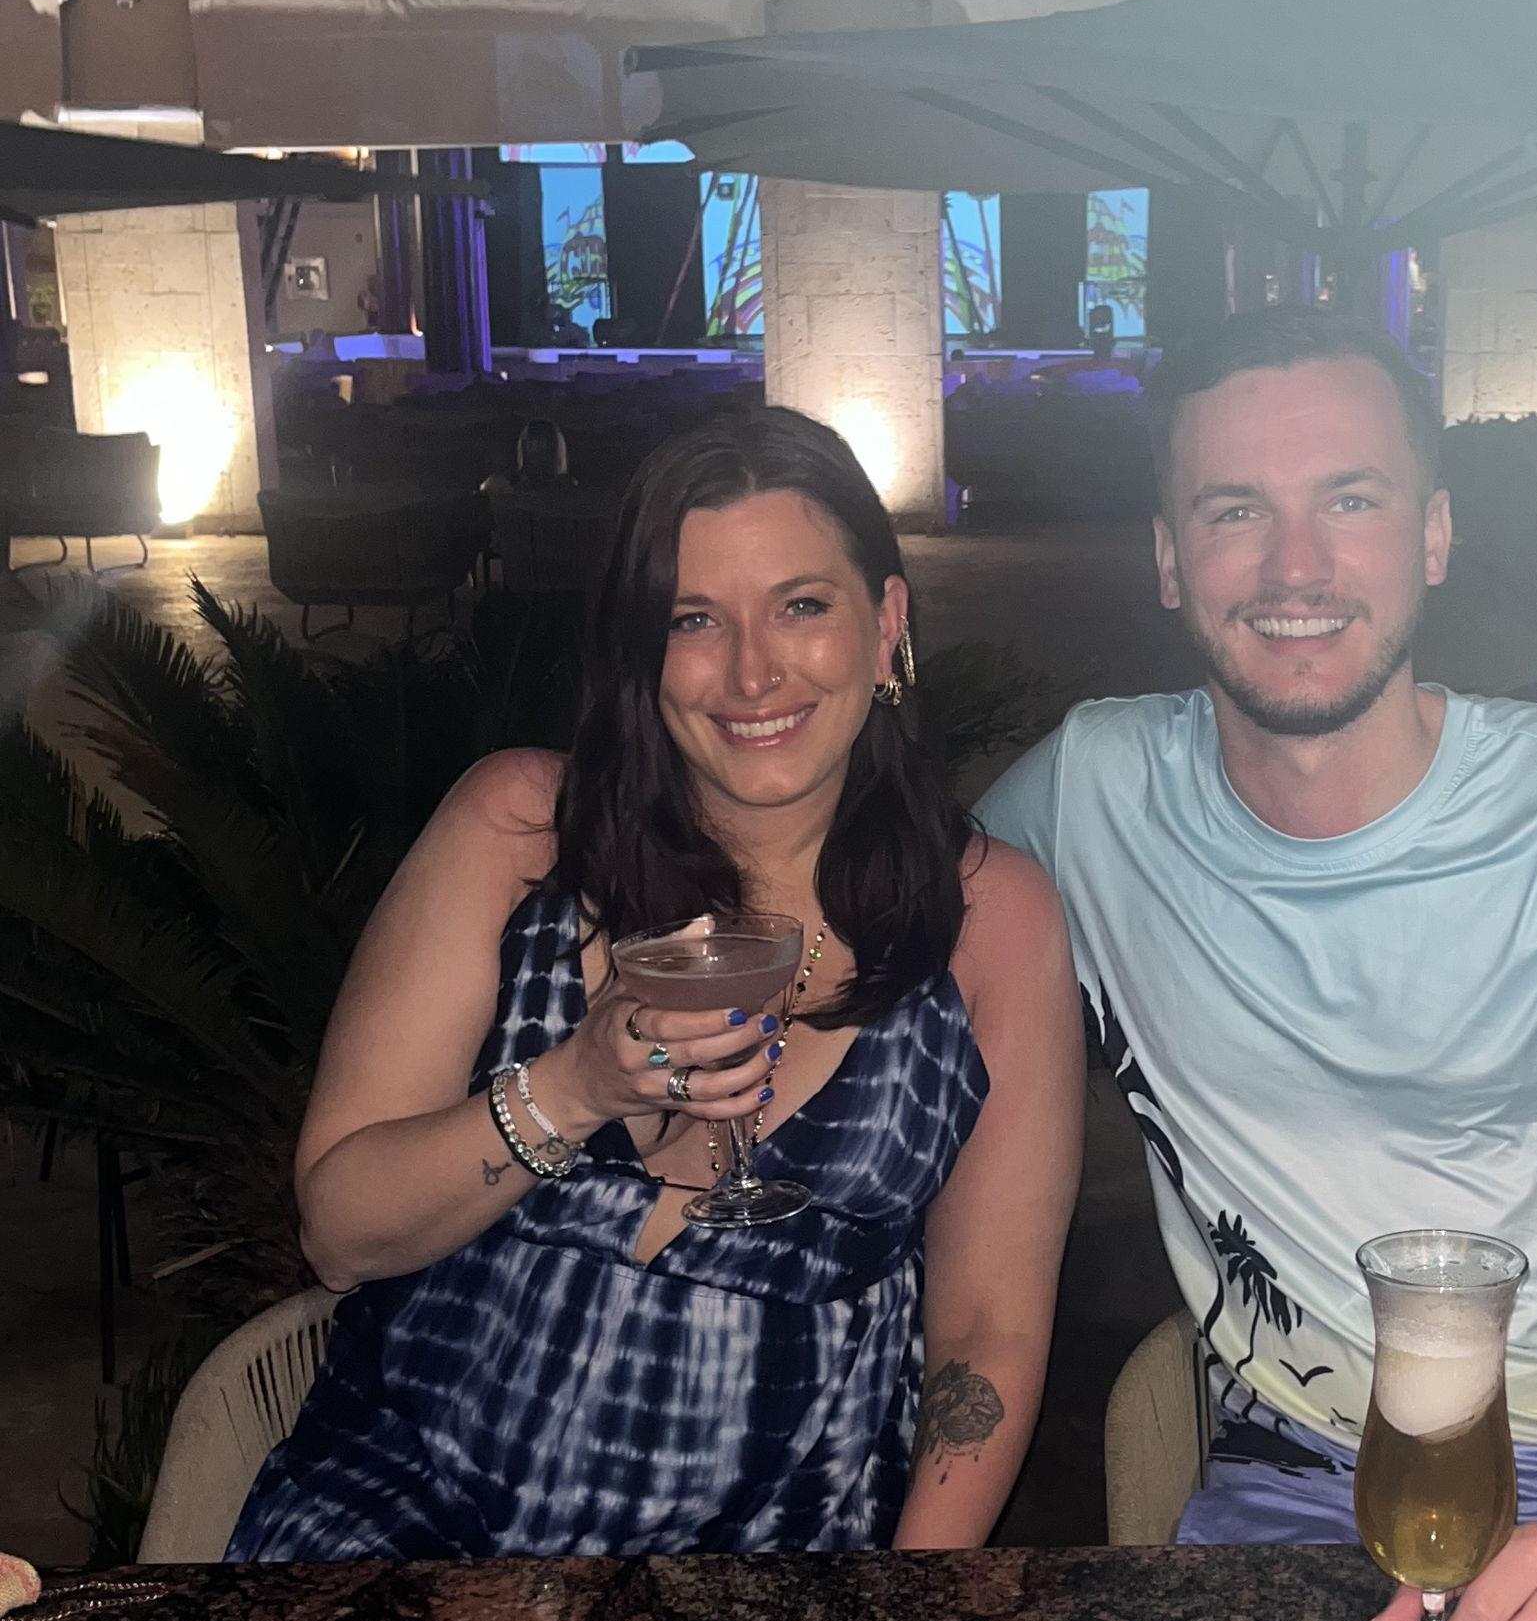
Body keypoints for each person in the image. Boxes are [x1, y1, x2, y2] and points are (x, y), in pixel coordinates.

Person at [978, 305, 1537, 1621]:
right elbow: (864, 923)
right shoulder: (1092, 792)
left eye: (1350, 501)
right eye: (1235, 511)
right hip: (1300, 1492)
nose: (1295, 567)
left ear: (1432, 535)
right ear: (1169, 559)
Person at [231, 404, 1082, 1561]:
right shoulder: (518, 832)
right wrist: (571, 1089)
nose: (751, 671)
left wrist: (911, 1609)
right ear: (642, 648)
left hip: (766, 1576)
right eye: (693, 619)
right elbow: (339, 1236)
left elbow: (986, 1333)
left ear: (885, 623)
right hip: (408, 1528)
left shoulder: (991, 921)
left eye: (801, 605)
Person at [481, 417, 573, 496]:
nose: (538, 448)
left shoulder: (504, 488)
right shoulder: (503, 488)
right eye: (533, 444)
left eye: (544, 444)